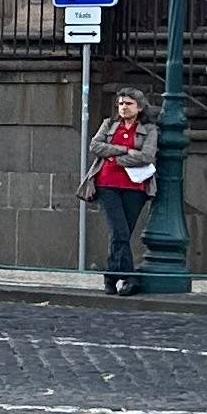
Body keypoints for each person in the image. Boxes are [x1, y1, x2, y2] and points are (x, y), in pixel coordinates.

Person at [86, 89, 158, 293]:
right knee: (119, 231)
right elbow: (96, 145)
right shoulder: (109, 124)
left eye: (129, 104)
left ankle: (110, 277)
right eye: (121, 104)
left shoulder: (149, 129)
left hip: (135, 186)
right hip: (106, 184)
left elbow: (147, 156)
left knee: (123, 235)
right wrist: (125, 150)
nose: (124, 107)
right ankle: (131, 277)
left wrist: (116, 159)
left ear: (140, 107)